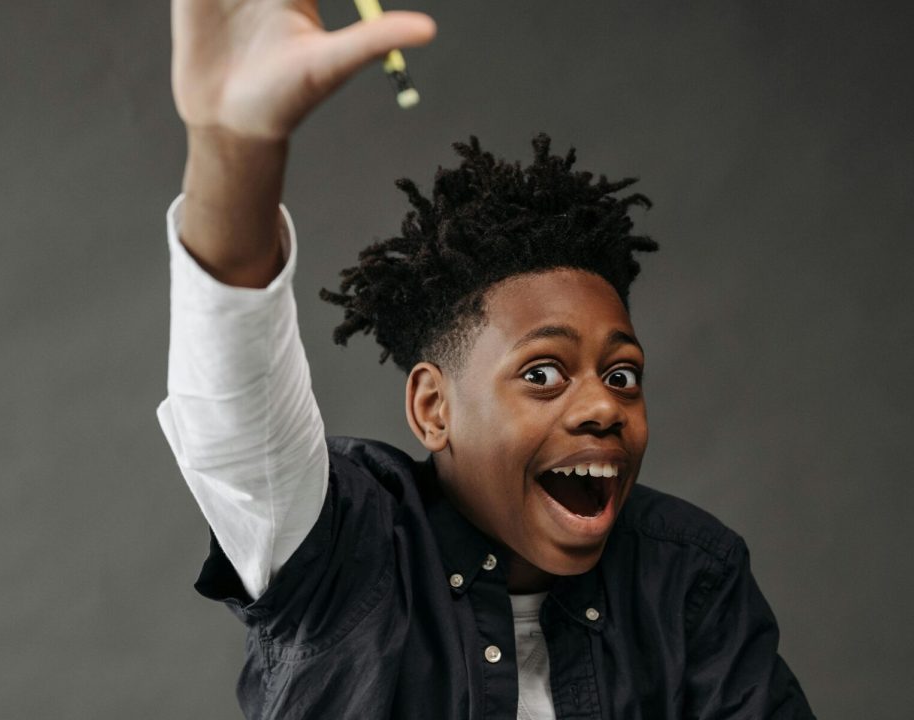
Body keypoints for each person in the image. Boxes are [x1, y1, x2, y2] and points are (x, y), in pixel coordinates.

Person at [157, 1, 816, 718]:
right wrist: (233, 147)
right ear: (433, 408)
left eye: (622, 376)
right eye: (543, 374)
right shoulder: (348, 548)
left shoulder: (692, 578)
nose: (604, 406)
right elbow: (240, 423)